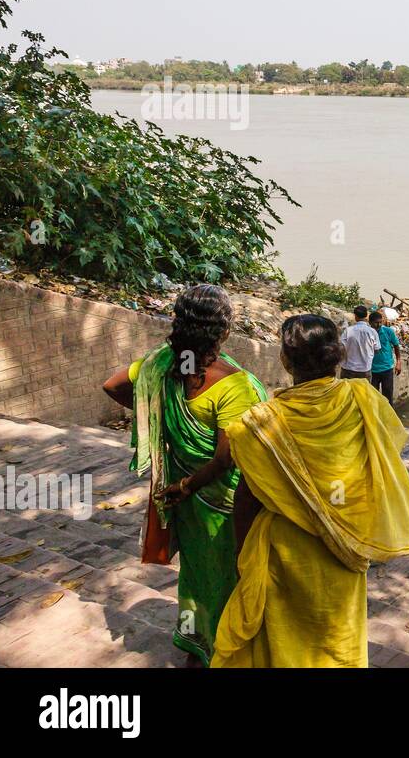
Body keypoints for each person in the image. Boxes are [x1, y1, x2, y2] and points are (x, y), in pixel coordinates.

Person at [211, 314, 409, 668]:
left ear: (285, 360)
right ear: (337, 355)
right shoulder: (364, 398)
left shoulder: (260, 423)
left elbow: (247, 497)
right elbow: (383, 454)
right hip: (346, 546)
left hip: (286, 549)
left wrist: (242, 556)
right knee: (338, 638)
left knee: (286, 641)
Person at [101, 283, 267, 668]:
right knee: (229, 573)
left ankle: (196, 639)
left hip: (182, 494)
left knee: (196, 568)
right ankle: (225, 649)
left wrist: (156, 411)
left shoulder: (162, 365)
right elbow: (226, 459)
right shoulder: (234, 383)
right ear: (224, 330)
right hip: (221, 501)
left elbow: (112, 385)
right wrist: (190, 485)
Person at [368, 310, 401, 404]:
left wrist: (398, 362)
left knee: (388, 397)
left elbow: (396, 346)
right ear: (370, 323)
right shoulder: (367, 333)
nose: (379, 325)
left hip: (387, 368)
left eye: (380, 322)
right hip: (372, 370)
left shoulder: (388, 331)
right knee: (373, 397)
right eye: (376, 323)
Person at [339, 305, 378, 380]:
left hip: (348, 368)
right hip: (365, 369)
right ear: (366, 316)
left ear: (355, 316)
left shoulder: (348, 330)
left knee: (347, 388)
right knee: (363, 388)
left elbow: (341, 347)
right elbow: (377, 349)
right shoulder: (372, 332)